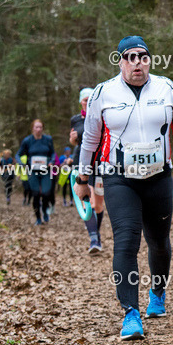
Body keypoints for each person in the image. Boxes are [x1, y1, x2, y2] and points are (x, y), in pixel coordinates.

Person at [75, 36, 173, 341]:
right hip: (119, 177)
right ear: (120, 61)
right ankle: (131, 312)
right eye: (130, 57)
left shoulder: (166, 88)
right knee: (126, 241)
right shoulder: (104, 92)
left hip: (158, 176)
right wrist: (82, 179)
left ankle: (158, 292)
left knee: (158, 241)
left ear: (149, 60)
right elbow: (90, 140)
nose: (137, 62)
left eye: (143, 56)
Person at [70, 87, 106, 252]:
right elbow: (75, 140)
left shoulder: (102, 115)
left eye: (90, 99)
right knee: (88, 201)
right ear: (80, 102)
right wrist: (72, 141)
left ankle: (96, 233)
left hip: (100, 162)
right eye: (85, 99)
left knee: (98, 205)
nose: (87, 102)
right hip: (82, 163)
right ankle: (94, 239)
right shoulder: (76, 119)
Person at [16, 119, 56, 225]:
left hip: (45, 170)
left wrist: (52, 161)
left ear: (43, 128)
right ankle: (38, 218)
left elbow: (53, 153)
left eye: (40, 127)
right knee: (36, 194)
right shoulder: (27, 141)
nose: (38, 129)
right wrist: (22, 164)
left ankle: (45, 211)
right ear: (32, 128)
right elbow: (18, 155)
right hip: (32, 171)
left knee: (46, 193)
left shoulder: (48, 139)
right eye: (36, 127)